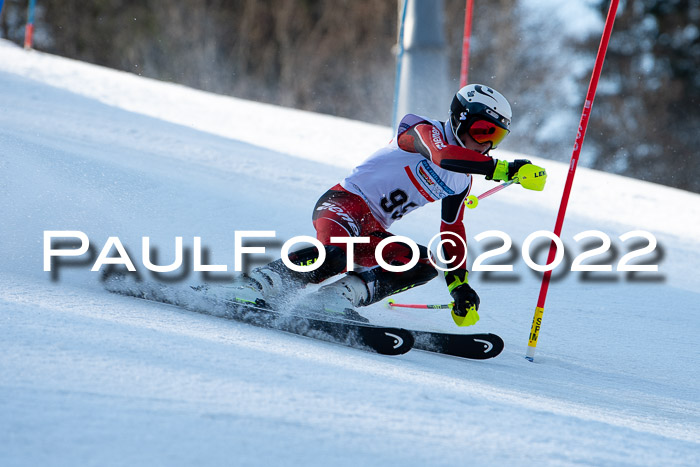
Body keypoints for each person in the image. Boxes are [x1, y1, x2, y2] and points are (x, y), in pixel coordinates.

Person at [227, 84, 541, 326]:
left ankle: (334, 300)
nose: (486, 144)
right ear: (460, 120)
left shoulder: (462, 180)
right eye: (483, 131)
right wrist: (503, 169)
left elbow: (452, 233)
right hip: (344, 204)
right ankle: (254, 285)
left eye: (495, 136)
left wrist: (459, 287)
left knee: (422, 262)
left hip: (372, 228)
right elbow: (443, 156)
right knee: (339, 251)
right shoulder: (422, 131)